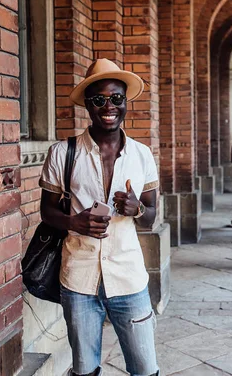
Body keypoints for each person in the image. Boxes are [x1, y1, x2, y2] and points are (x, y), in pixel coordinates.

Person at [39, 58, 160, 376]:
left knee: (145, 369)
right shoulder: (62, 153)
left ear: (126, 103)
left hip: (129, 278)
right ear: (88, 105)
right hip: (79, 279)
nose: (109, 106)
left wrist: (138, 210)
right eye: (99, 99)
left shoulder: (142, 155)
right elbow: (47, 210)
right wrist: (72, 222)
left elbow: (152, 216)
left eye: (116, 98)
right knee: (85, 369)